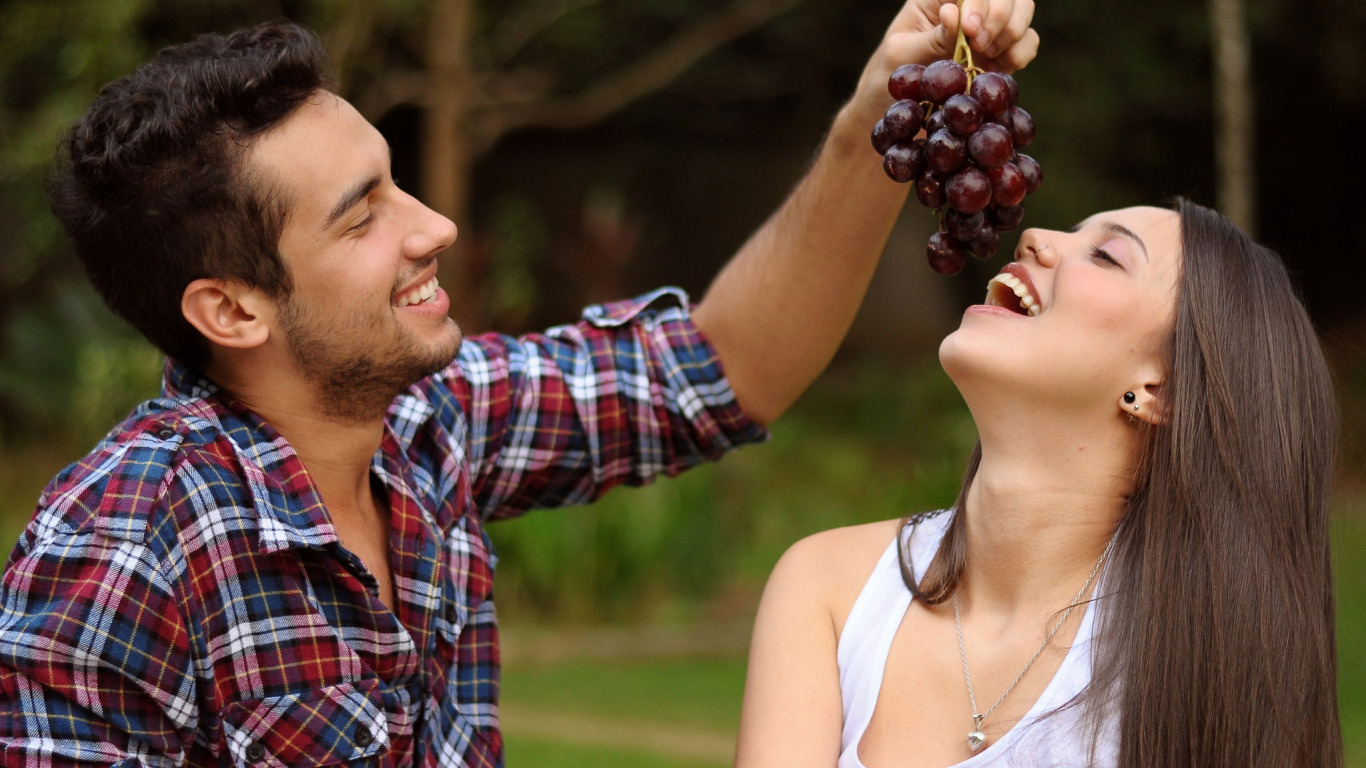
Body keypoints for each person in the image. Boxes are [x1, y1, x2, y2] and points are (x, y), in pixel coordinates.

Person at [0, 2, 1038, 767]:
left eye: (394, 177)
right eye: (362, 217)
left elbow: (717, 372)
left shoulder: (426, 424)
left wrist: (874, 119)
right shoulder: (116, 559)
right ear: (230, 311)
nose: (433, 226)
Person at [733, 199, 1341, 768]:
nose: (1035, 238)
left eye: (1107, 255)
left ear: (1161, 389)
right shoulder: (830, 588)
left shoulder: (1200, 668)